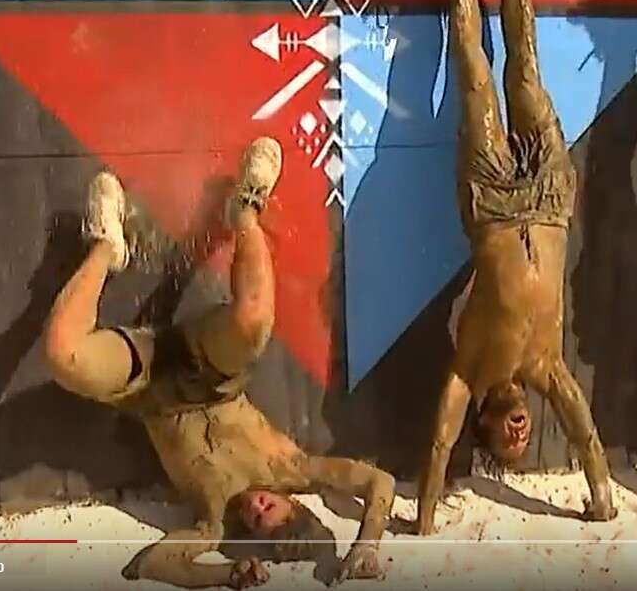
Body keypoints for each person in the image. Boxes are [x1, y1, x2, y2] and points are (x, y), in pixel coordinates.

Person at [43, 139, 393, 587]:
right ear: (293, 502)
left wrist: (227, 574)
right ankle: (246, 208)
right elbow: (379, 483)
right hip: (210, 373)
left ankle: (107, 247)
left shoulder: (212, 524)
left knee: (63, 355)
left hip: (149, 390)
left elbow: (152, 565)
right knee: (253, 320)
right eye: (270, 507)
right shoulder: (293, 468)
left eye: (256, 519)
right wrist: (367, 544)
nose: (256, 507)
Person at [415, 0, 617, 535]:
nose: (520, 435)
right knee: (525, 70)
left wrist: (423, 520)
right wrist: (602, 496)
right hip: (551, 200)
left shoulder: (466, 373)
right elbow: (585, 434)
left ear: (484, 423)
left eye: (506, 442)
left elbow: (438, 446)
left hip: (494, 205)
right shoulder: (547, 369)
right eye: (524, 442)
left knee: (476, 74)